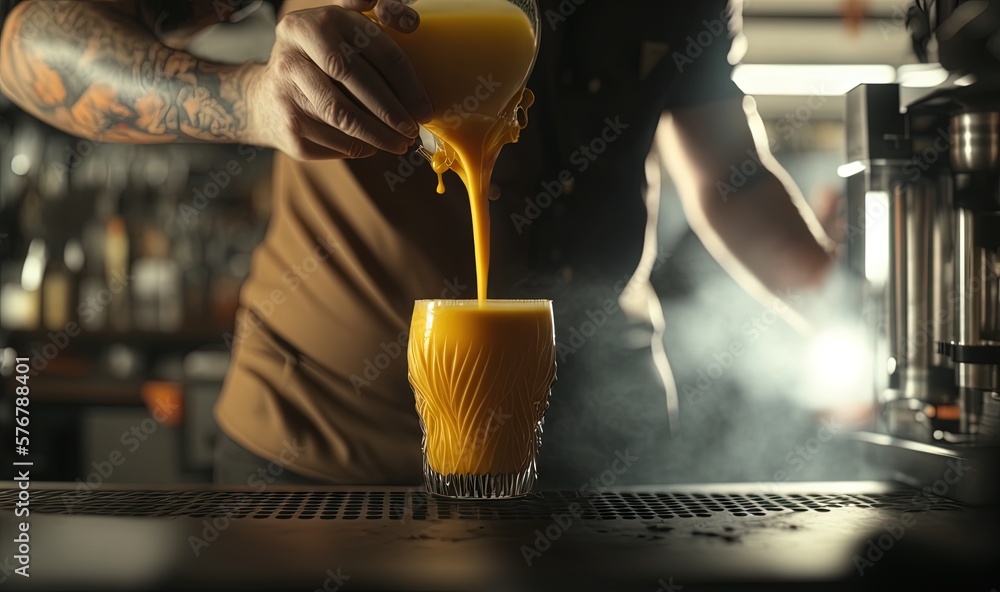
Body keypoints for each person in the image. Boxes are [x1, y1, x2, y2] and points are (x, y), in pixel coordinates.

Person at [0, 0, 835, 488]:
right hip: (323, 449)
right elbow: (27, 44)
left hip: (601, 460)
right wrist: (251, 101)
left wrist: (848, 322)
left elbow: (735, 181)